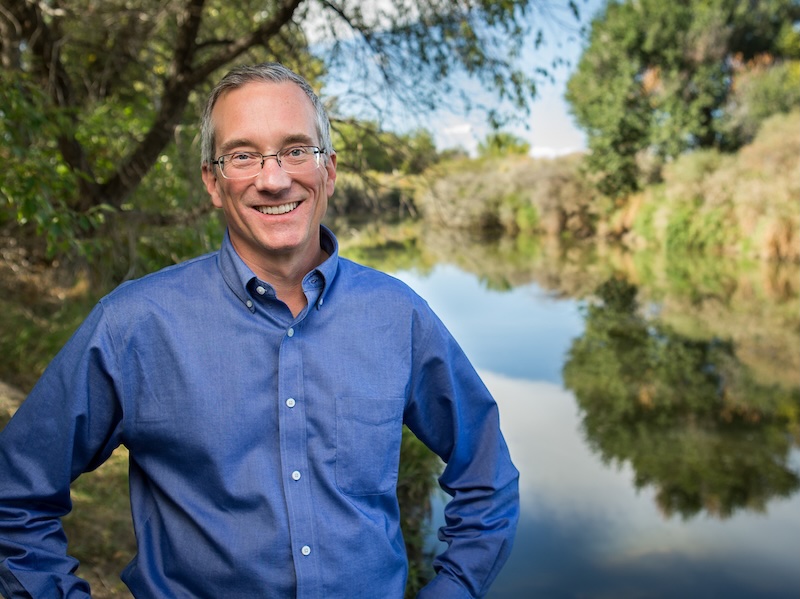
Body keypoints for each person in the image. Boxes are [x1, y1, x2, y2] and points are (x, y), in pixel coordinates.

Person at [0, 63, 519, 599]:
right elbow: (14, 496)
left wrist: (454, 588)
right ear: (213, 182)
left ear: (329, 171)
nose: (274, 180)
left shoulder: (397, 316)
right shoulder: (134, 326)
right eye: (244, 156)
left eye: (296, 150)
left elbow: (487, 476)